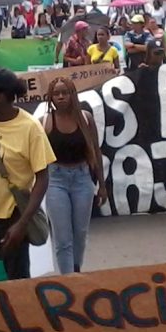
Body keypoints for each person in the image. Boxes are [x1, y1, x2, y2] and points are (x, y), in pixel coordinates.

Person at [0, 67, 55, 283]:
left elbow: (42, 178)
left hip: (14, 215)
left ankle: (22, 316)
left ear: (1, 97)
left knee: (17, 280)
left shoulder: (30, 128)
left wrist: (22, 224)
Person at [42, 77, 107, 274]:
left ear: (73, 94)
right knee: (62, 237)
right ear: (50, 97)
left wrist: (102, 186)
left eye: (65, 92)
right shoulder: (45, 122)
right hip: (55, 180)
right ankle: (67, 280)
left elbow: (96, 151)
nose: (60, 97)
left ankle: (76, 270)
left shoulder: (85, 118)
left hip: (82, 178)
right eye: (56, 93)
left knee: (80, 233)